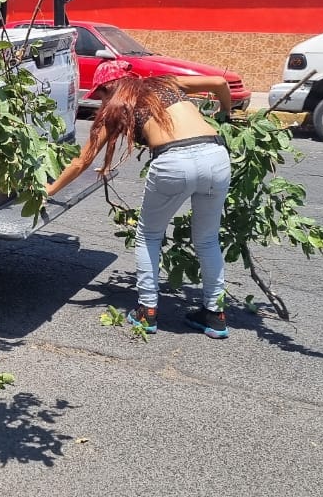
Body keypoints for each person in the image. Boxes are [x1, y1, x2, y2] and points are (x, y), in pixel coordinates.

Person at [48, 60, 234, 338]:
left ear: (108, 87)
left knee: (148, 235)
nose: (101, 101)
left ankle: (147, 311)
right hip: (216, 154)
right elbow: (220, 83)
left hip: (174, 160)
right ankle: (215, 314)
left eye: (100, 94)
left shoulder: (116, 107)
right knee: (207, 239)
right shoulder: (166, 82)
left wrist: (49, 190)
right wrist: (225, 114)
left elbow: (81, 161)